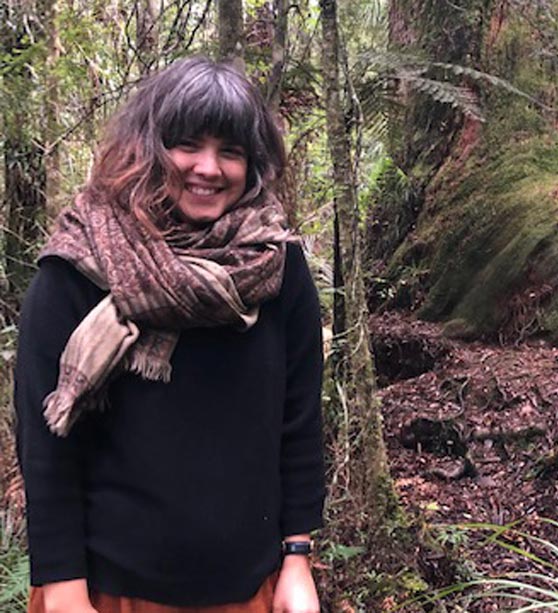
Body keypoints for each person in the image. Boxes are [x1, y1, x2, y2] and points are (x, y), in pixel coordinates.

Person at [14, 56, 325, 613]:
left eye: (230, 151)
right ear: (146, 149)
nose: (208, 167)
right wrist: (61, 585)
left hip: (248, 589)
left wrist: (297, 557)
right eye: (187, 144)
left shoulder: (277, 268)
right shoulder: (79, 269)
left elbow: (298, 421)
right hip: (107, 592)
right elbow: (46, 446)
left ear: (252, 166)